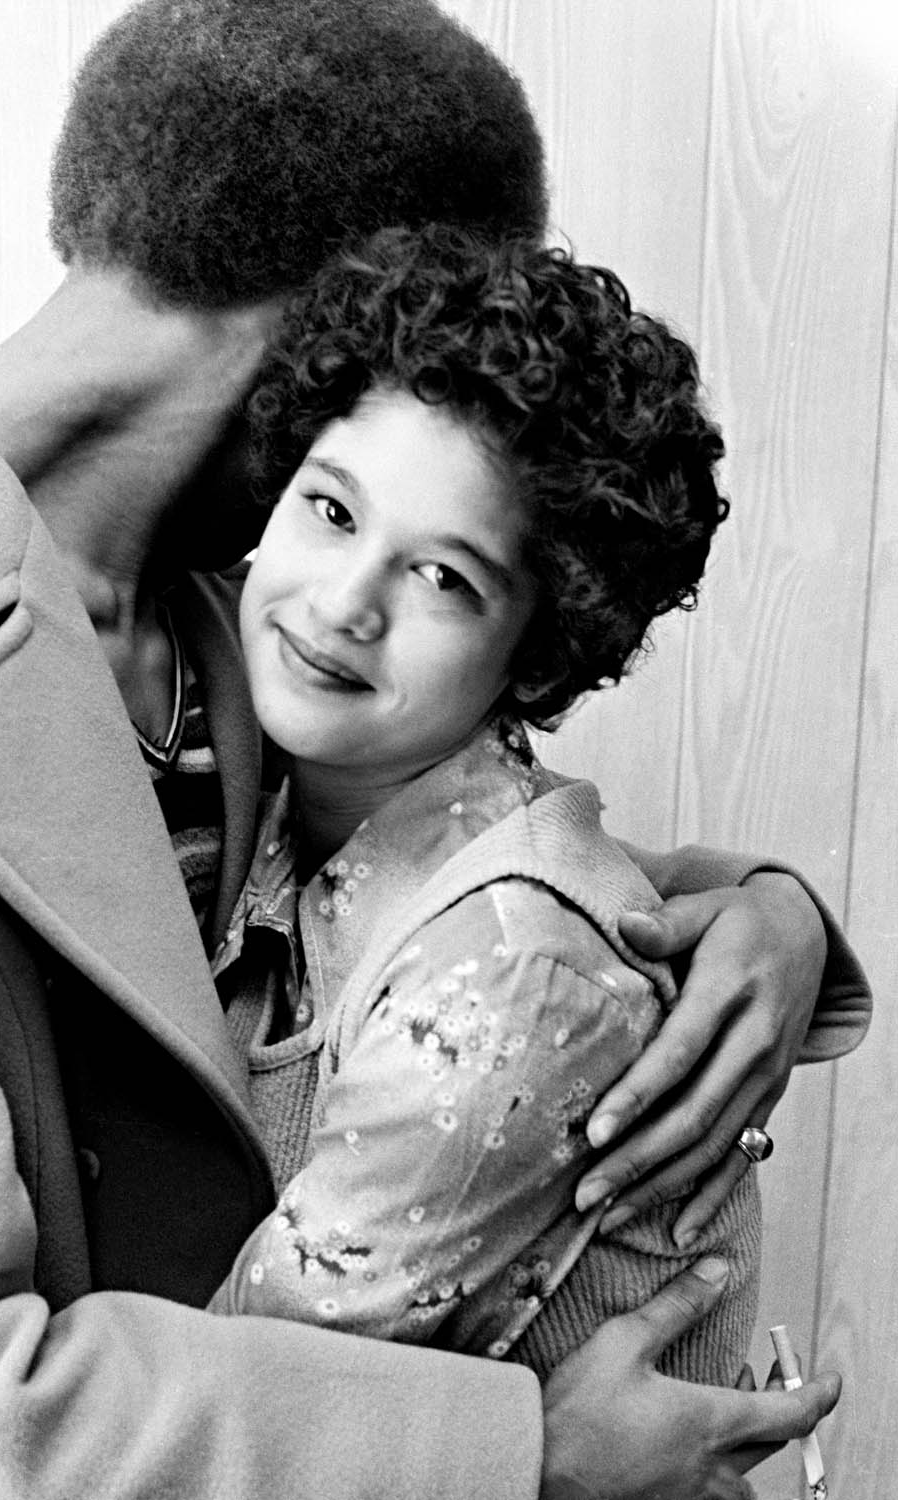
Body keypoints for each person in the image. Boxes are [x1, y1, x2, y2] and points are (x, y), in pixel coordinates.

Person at [0, 1, 868, 1497]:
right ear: (347, 324)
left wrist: (759, 913)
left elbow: (439, 881)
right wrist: (523, 1453)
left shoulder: (227, 613)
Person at [203, 225, 851, 1388]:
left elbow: (244, 1399)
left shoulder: (508, 972)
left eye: (443, 578)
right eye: (332, 511)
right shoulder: (280, 778)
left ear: (537, 650)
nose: (344, 603)